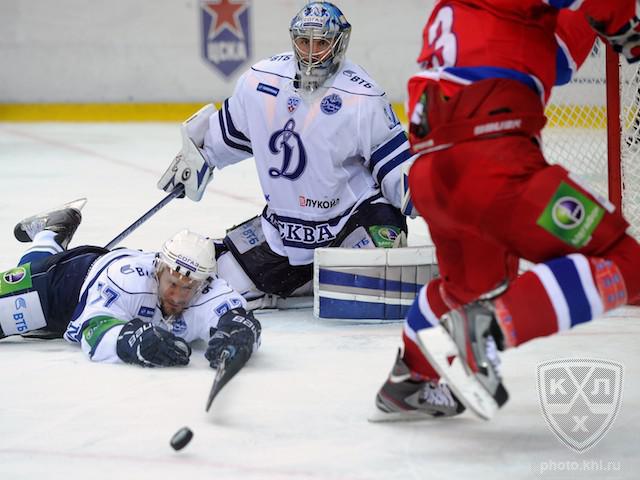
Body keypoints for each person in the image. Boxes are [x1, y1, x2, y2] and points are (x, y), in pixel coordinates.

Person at [371, 1, 640, 421]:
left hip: (431, 172)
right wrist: (624, 21)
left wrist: (605, 23)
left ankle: (411, 380)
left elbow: (557, 60)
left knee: (467, 289)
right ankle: (488, 330)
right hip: (493, 165)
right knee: (626, 262)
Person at [157, 2, 413, 303]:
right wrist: (196, 160)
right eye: (305, 41)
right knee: (222, 287)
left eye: (322, 43)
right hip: (284, 231)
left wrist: (428, 198)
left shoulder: (362, 97)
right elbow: (225, 135)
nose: (311, 51)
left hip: (353, 220)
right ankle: (307, 277)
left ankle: (318, 275)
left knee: (363, 295)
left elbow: (396, 165)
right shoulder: (259, 82)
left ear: (338, 43)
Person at [0, 201, 261, 369]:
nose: (178, 295)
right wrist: (133, 342)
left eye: (188, 287)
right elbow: (93, 330)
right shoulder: (126, 281)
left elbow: (234, 316)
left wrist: (241, 333)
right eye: (172, 283)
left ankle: (53, 232)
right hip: (71, 283)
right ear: (159, 270)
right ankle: (50, 233)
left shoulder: (206, 289)